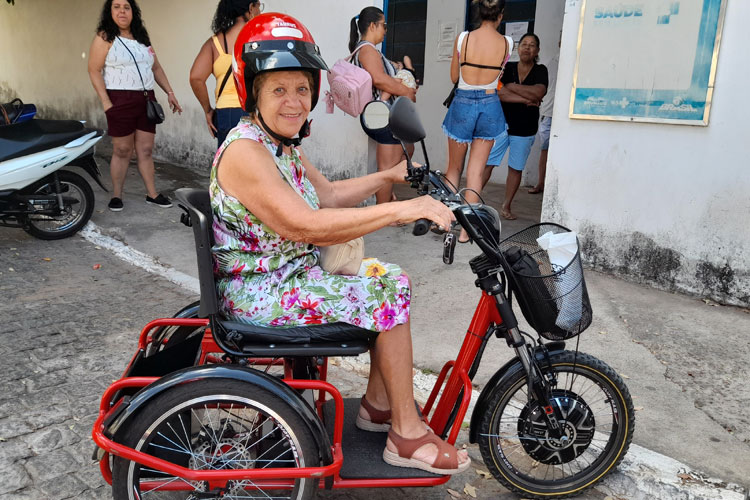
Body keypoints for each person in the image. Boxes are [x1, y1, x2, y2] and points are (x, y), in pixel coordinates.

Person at [212, 13, 470, 475]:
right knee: (384, 291)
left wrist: (390, 176)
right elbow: (306, 226)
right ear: (252, 91)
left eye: (302, 89)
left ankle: (376, 407)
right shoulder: (246, 150)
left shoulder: (280, 143)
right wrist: (402, 209)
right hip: (263, 294)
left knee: (390, 278)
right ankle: (406, 437)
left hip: (288, 277)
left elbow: (326, 193)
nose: (294, 102)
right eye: (278, 89)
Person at [88, 0, 183, 212]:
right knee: (122, 149)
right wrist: (106, 102)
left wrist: (170, 92)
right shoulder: (105, 37)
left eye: (126, 7)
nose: (122, 11)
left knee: (146, 149)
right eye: (117, 6)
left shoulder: (142, 37)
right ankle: (116, 195)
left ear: (133, 12)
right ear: (109, 11)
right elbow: (93, 69)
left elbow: (156, 68)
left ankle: (152, 193)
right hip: (119, 99)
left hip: (146, 99)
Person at [442, 0, 510, 243]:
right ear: (500, 15)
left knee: (454, 168)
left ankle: (442, 220)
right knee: (476, 171)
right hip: (490, 105)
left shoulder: (463, 39)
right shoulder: (507, 43)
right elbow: (498, 76)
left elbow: (453, 76)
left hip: (463, 103)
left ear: (478, 13)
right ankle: (466, 232)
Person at [349, 7, 417, 204]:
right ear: (373, 25)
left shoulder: (366, 49)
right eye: (384, 25)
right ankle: (383, 208)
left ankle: (386, 195)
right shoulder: (367, 50)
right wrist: (406, 91)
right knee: (387, 169)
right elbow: (379, 80)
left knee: (407, 151)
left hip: (382, 113)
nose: (386, 30)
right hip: (380, 114)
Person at [482, 33, 547, 220]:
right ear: (518, 48)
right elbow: (498, 93)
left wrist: (510, 87)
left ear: (537, 50)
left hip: (525, 128)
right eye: (524, 44)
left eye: (532, 45)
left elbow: (539, 93)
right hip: (501, 124)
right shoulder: (508, 68)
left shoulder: (540, 70)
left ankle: (506, 206)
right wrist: (526, 98)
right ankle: (473, 200)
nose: (527, 47)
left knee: (516, 168)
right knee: (488, 163)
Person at [189, 0, 263, 149]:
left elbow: (196, 78)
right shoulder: (261, 39)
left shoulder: (215, 42)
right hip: (258, 111)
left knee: (227, 165)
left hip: (227, 113)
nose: (260, 12)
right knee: (256, 165)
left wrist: (208, 110)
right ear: (250, 8)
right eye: (258, 7)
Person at [528, 50, 558, 194]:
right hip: (548, 112)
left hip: (564, 114)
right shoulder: (549, 63)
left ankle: (554, 187)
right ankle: (541, 183)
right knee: (545, 150)